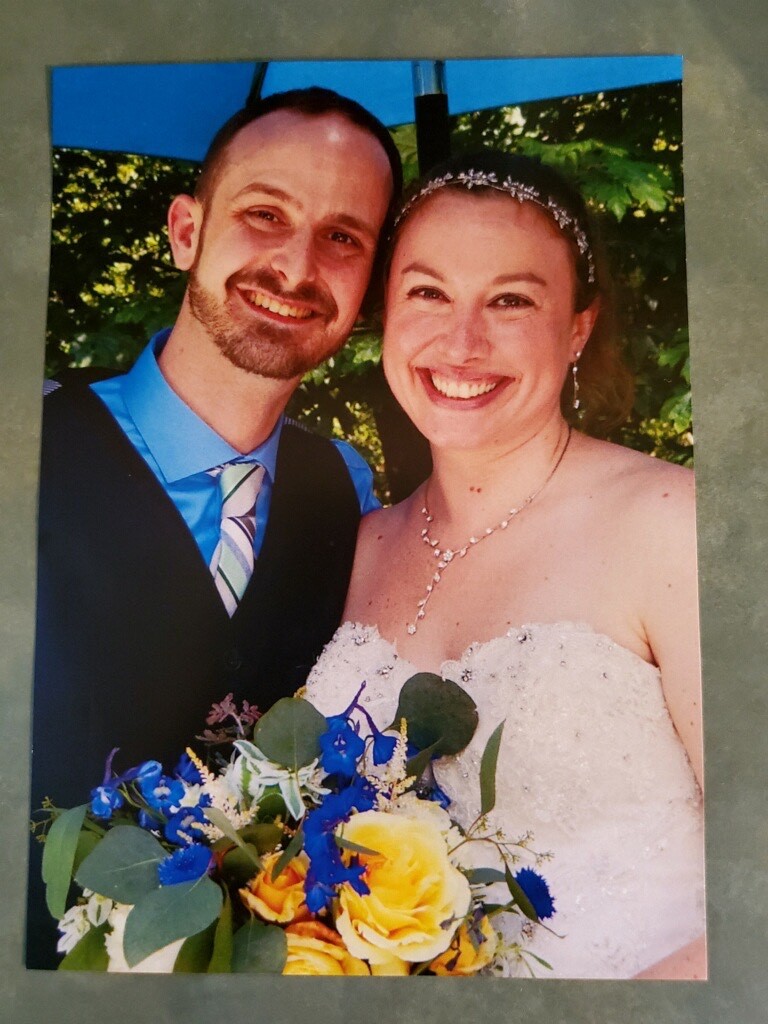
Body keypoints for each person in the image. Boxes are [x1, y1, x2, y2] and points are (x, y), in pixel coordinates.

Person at [305, 150, 706, 979]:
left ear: (578, 329)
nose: (463, 341)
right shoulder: (356, 544)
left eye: (512, 299)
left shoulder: (674, 524)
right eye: (427, 292)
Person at [27, 87, 402, 968]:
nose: (297, 266)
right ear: (186, 230)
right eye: (264, 213)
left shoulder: (351, 491)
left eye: (344, 237)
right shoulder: (27, 446)